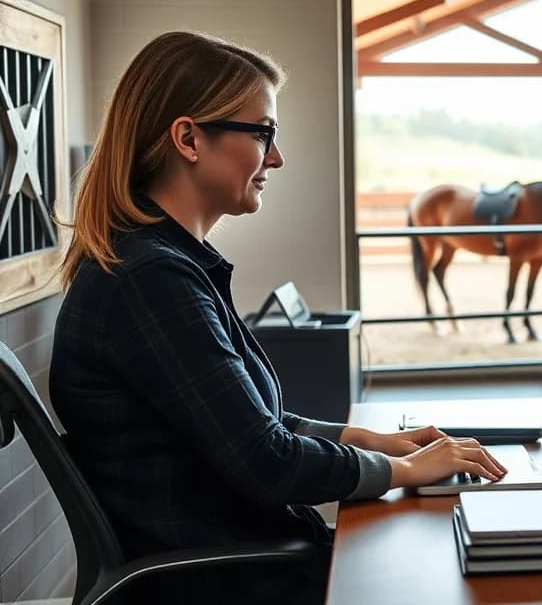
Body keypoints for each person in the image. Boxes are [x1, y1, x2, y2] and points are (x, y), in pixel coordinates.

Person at [48, 32, 505, 605]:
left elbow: (243, 424)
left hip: (241, 563)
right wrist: (407, 471)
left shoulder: (158, 265)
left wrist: (367, 440)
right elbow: (266, 462)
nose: (276, 157)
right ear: (188, 139)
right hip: (232, 584)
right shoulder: (151, 280)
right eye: (262, 133)